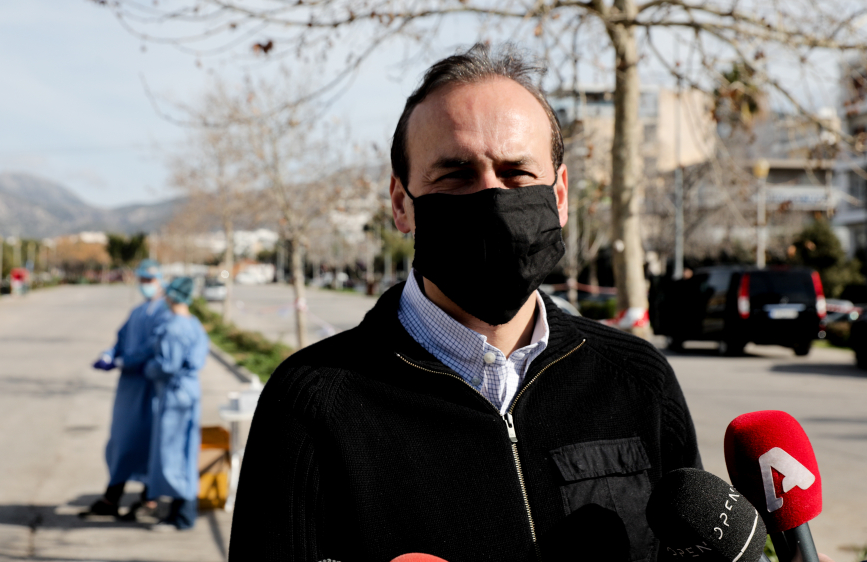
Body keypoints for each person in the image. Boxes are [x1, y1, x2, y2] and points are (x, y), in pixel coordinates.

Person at [228, 44, 701, 561]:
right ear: (401, 204)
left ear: (560, 195)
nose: (492, 199)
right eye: (455, 175)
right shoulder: (311, 405)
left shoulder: (639, 382)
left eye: (517, 173)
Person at [81, 258, 171, 519]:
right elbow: (121, 339)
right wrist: (109, 354)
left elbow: (153, 348)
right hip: (129, 389)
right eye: (142, 280)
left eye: (149, 280)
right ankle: (112, 496)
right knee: (121, 442)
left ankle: (149, 498)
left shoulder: (165, 313)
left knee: (148, 442)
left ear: (161, 281)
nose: (145, 284)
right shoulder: (138, 311)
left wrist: (124, 361)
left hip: (150, 387)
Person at [144, 276, 209, 531]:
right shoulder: (193, 323)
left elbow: (168, 365)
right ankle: (180, 512)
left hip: (175, 395)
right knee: (186, 452)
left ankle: (181, 516)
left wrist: (148, 368)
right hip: (189, 392)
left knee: (173, 454)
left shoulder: (174, 328)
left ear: (172, 295)